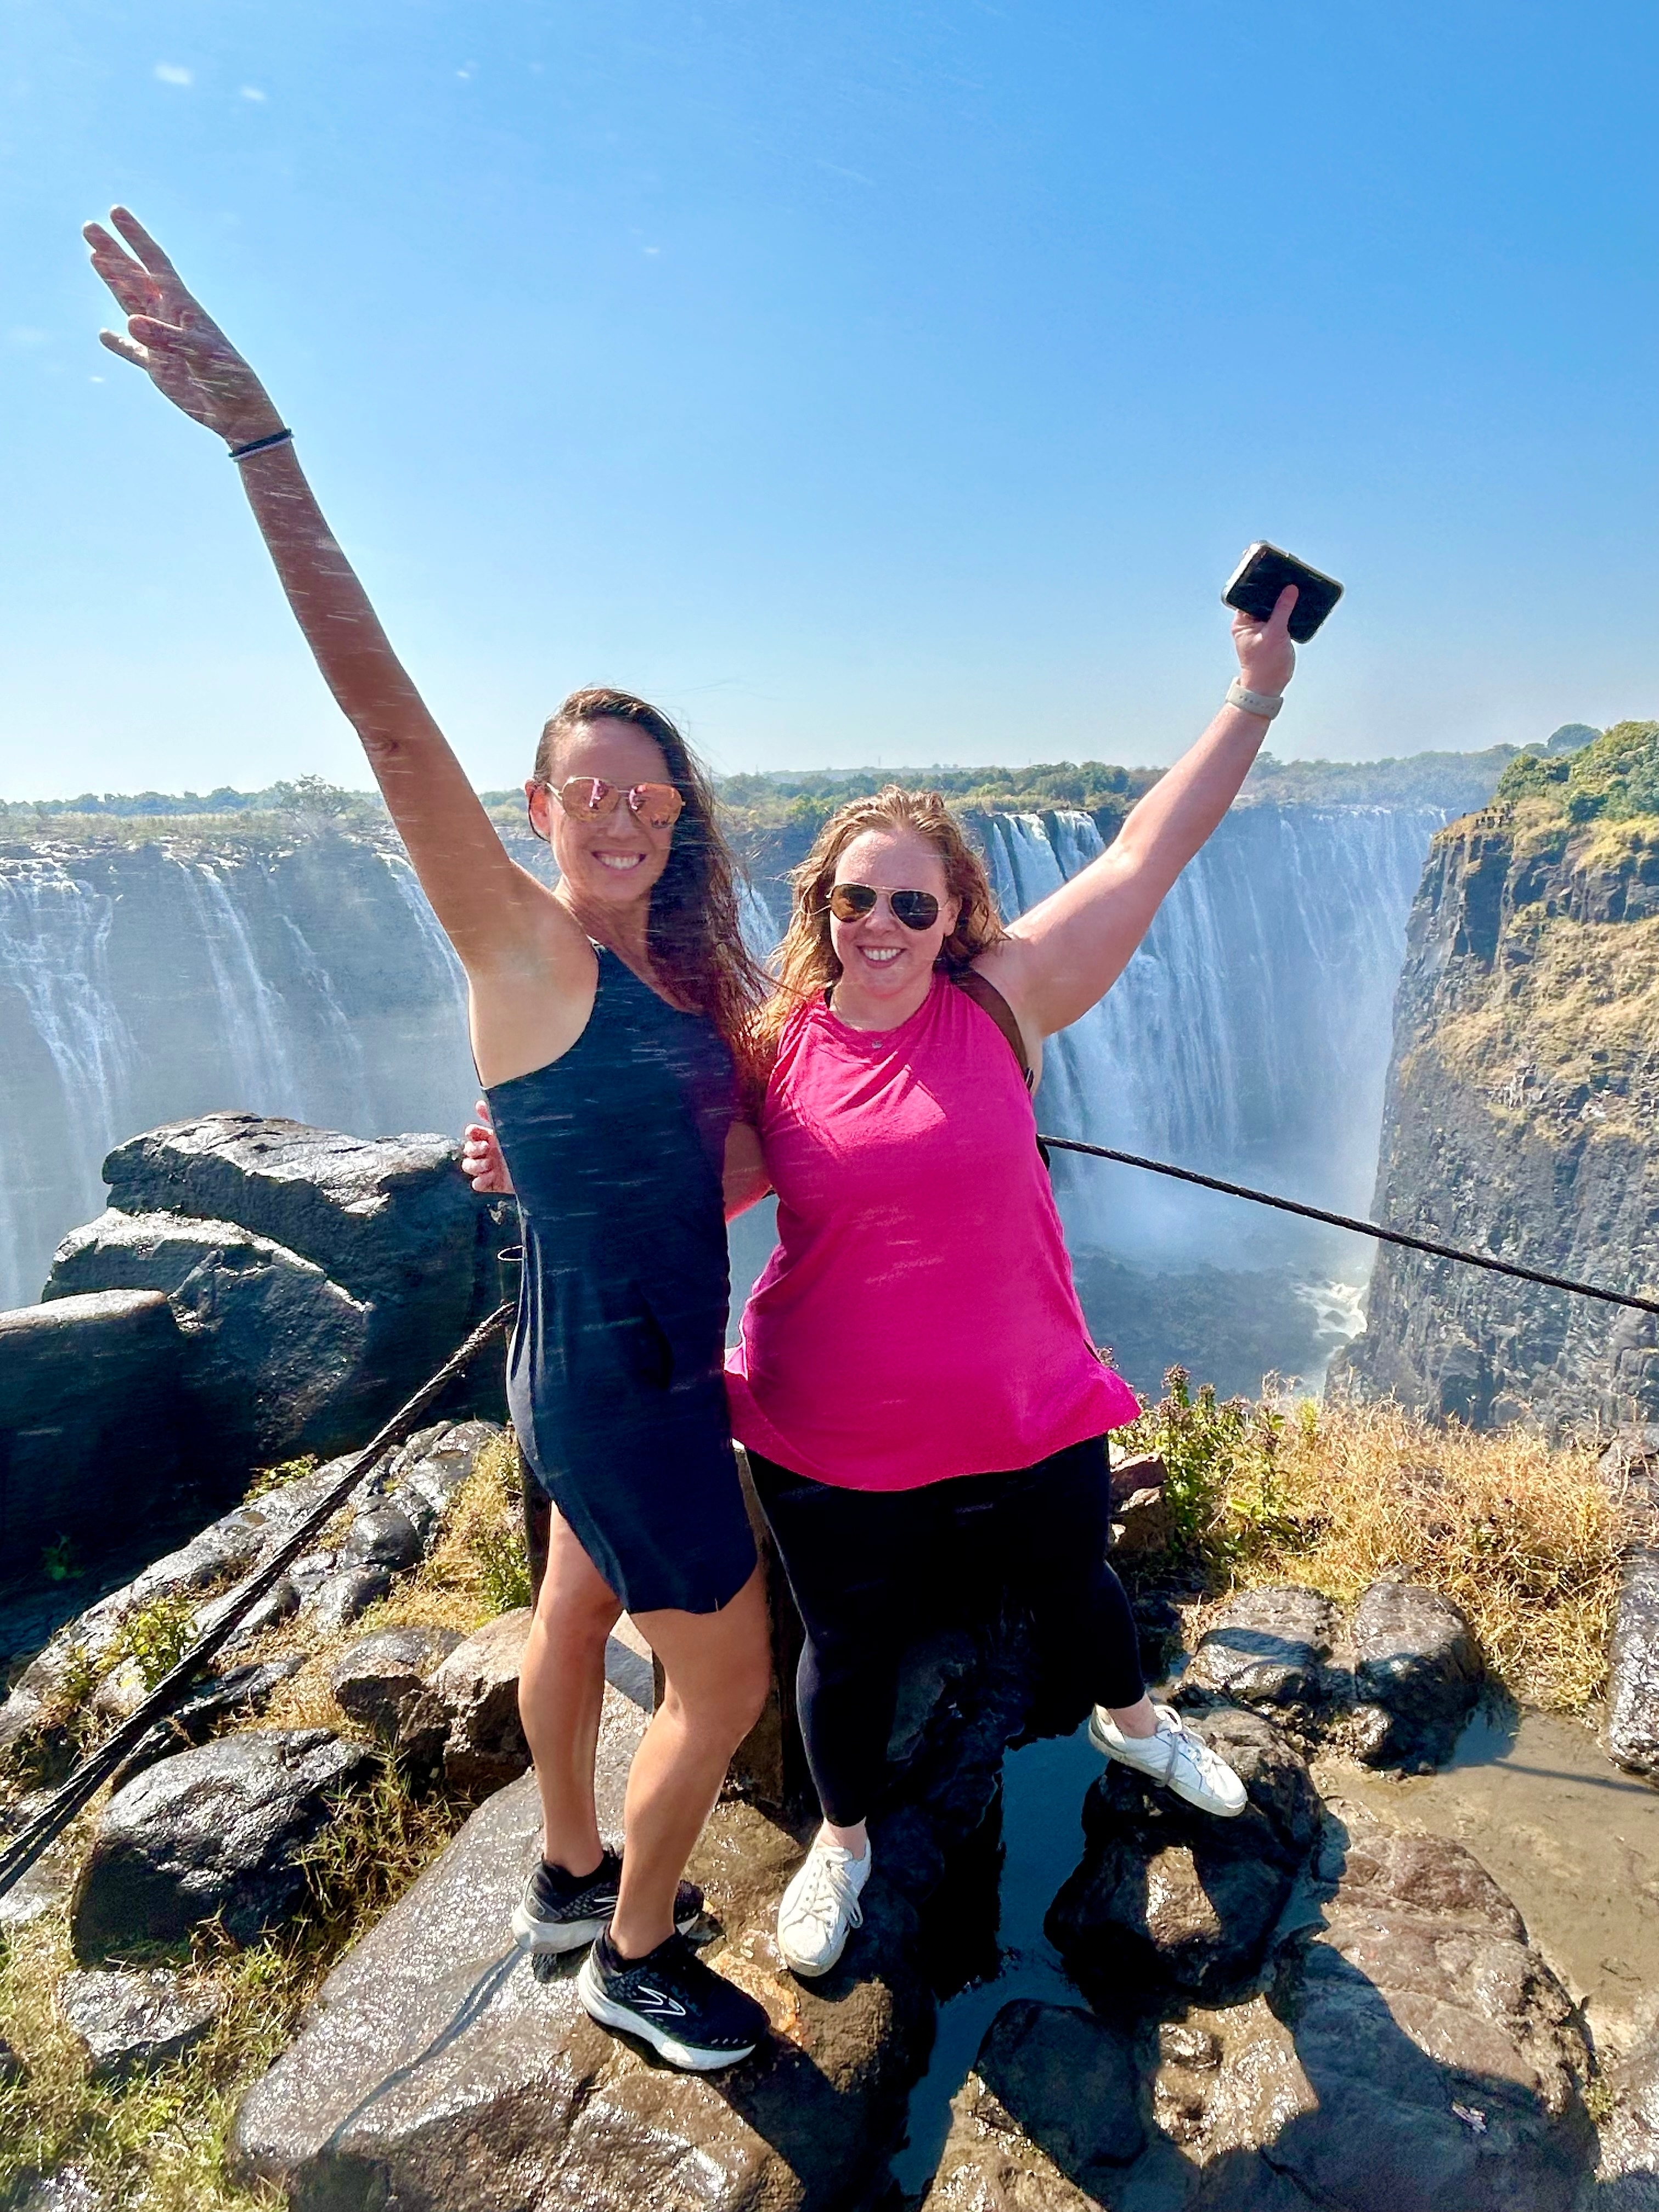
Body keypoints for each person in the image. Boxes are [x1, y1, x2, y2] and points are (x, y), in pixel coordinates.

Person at [84, 208, 775, 2072]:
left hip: (581, 1367)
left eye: (652, 792)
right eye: (588, 792)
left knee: (569, 1610)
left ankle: (562, 1870)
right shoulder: (527, 945)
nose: (624, 815)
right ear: (537, 807)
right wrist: (262, 447)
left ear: (675, 808)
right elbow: (389, 731)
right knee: (723, 1677)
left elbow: (690, 1160)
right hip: (625, 1389)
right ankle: (636, 1951)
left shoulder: (662, 969)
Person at [467, 588, 1300, 1978]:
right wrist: (524, 1151)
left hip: (1025, 1401)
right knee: (845, 1651)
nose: (883, 922)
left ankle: (1136, 1725)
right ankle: (840, 1843)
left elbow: (1153, 850)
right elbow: (670, 1159)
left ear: (957, 910)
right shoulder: (776, 1047)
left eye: (915, 900)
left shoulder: (1006, 998)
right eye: (857, 896)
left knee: (1077, 1576)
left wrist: (1255, 695)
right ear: (824, 905)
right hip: (830, 1431)